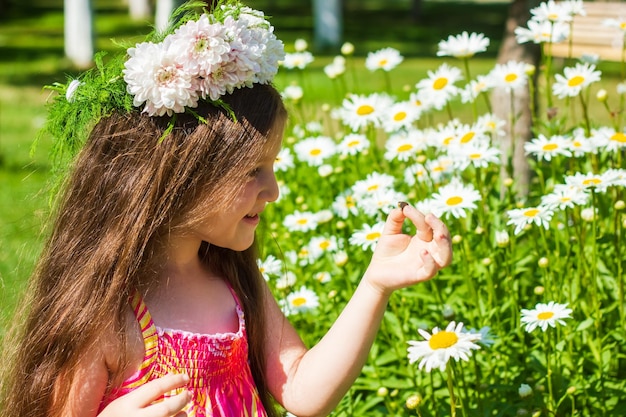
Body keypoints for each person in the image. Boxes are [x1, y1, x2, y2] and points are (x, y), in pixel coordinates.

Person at [0, 2, 453, 417]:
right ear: (181, 177)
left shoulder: (235, 284)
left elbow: (302, 389)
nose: (273, 190)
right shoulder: (105, 317)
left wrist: (375, 284)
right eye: (253, 170)